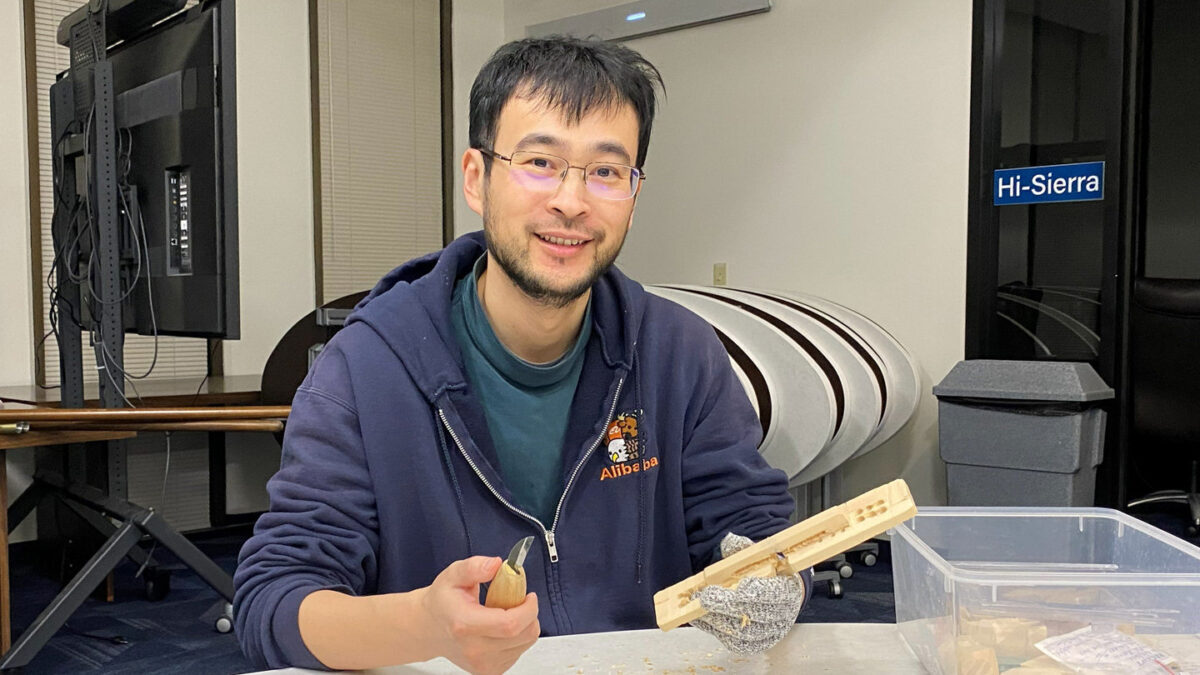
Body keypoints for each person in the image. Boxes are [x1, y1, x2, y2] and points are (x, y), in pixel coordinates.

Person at [233, 36, 811, 673]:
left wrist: (775, 580)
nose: (571, 200)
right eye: (540, 162)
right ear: (477, 178)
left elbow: (753, 527)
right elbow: (274, 602)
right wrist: (422, 625)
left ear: (634, 192)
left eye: (606, 171)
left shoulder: (681, 354)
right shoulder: (364, 370)